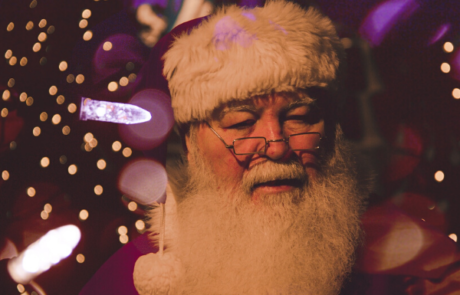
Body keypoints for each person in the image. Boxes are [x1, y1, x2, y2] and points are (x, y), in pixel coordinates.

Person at [131, 1, 369, 294]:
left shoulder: (401, 275)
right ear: (189, 147)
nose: (277, 146)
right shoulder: (122, 283)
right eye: (242, 122)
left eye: (299, 118)